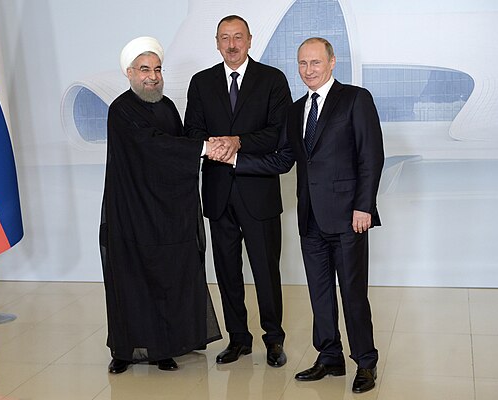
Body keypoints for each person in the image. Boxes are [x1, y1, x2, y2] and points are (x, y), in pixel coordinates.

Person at [222, 37, 384, 393]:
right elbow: (282, 159)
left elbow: (370, 157)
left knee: (353, 293)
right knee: (320, 293)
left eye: (315, 63)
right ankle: (329, 356)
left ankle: (366, 363)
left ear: (331, 63)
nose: (308, 70)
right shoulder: (296, 110)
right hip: (310, 218)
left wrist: (364, 206)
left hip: (348, 217)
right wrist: (236, 159)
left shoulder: (355, 99)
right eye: (302, 64)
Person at [99, 36, 222, 374]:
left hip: (166, 214)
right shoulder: (121, 110)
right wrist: (202, 148)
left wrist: (201, 147)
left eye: (156, 69)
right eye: (144, 70)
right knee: (131, 283)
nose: (152, 76)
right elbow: (152, 146)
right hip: (131, 214)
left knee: (167, 279)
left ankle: (164, 347)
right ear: (129, 73)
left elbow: (176, 150)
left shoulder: (167, 106)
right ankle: (125, 350)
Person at [184, 15, 291, 367]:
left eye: (238, 38)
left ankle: (273, 339)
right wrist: (214, 146)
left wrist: (237, 141)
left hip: (258, 193)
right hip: (218, 193)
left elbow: (278, 133)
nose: (232, 45)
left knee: (265, 271)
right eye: (225, 38)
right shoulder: (201, 83)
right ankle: (238, 338)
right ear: (217, 42)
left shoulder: (272, 80)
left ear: (249, 40)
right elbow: (192, 131)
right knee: (228, 272)